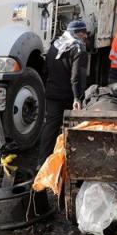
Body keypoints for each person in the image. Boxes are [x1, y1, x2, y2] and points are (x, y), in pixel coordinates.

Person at [38, 20, 88, 162]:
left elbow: (45, 69)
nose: (85, 37)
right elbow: (76, 76)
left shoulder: (56, 44)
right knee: (72, 129)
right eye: (84, 33)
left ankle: (42, 163)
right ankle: (69, 164)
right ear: (79, 33)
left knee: (50, 128)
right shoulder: (78, 48)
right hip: (67, 95)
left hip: (52, 92)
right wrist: (77, 98)